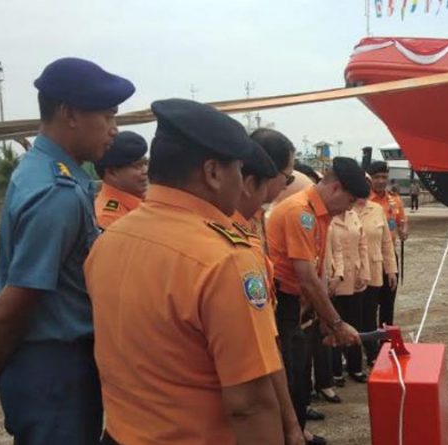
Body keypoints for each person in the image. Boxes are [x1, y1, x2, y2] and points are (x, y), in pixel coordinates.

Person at [85, 99, 298, 445]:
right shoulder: (226, 260)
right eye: (237, 169)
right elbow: (249, 403)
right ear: (214, 172)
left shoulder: (109, 240)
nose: (241, 184)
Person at [0, 57, 134, 445]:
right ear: (69, 113)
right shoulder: (58, 193)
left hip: (41, 365)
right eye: (108, 116)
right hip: (56, 370)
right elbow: (18, 296)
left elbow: (3, 278)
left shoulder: (35, 169)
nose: (114, 130)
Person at [266, 157, 368, 437]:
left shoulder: (320, 214)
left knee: (300, 375)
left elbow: (318, 268)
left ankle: (299, 432)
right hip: (282, 305)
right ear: (335, 188)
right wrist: (337, 323)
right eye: (349, 202)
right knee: (289, 380)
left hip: (299, 305)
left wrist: (322, 316)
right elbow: (306, 277)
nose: (348, 209)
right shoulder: (301, 212)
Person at [354, 174, 398, 366]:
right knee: (354, 315)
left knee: (370, 315)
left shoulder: (378, 209)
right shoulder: (345, 210)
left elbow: (386, 243)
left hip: (374, 270)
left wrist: (391, 270)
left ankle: (372, 354)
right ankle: (353, 357)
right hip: (352, 273)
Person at [328, 205, 371, 386]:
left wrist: (365, 272)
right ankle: (336, 371)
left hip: (354, 280)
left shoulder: (354, 216)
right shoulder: (328, 217)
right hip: (335, 282)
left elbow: (363, 246)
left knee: (355, 324)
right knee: (335, 326)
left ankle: (355, 367)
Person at [367, 161, 404, 327]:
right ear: (370, 178)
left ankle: (386, 339)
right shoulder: (363, 200)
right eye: (377, 177)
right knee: (370, 301)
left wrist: (404, 231)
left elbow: (401, 222)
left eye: (384, 177)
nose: (381, 181)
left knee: (388, 301)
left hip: (389, 256)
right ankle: (369, 339)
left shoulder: (395, 200)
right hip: (370, 256)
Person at [93, 130, 149, 229]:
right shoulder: (109, 217)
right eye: (138, 165)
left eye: (145, 163)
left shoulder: (145, 201)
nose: (146, 171)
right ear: (112, 172)